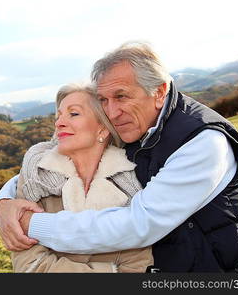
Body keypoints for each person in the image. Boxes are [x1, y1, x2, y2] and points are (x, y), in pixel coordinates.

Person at [0, 41, 238, 272]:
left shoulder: (204, 142)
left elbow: (139, 224)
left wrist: (31, 223)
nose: (112, 112)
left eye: (121, 97)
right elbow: (37, 171)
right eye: (104, 100)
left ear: (159, 91)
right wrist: (3, 204)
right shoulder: (134, 128)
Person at [10, 84, 153, 272]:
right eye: (58, 116)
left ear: (102, 128)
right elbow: (28, 265)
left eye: (73, 114)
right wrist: (110, 269)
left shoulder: (130, 186)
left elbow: (138, 266)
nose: (59, 123)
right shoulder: (35, 176)